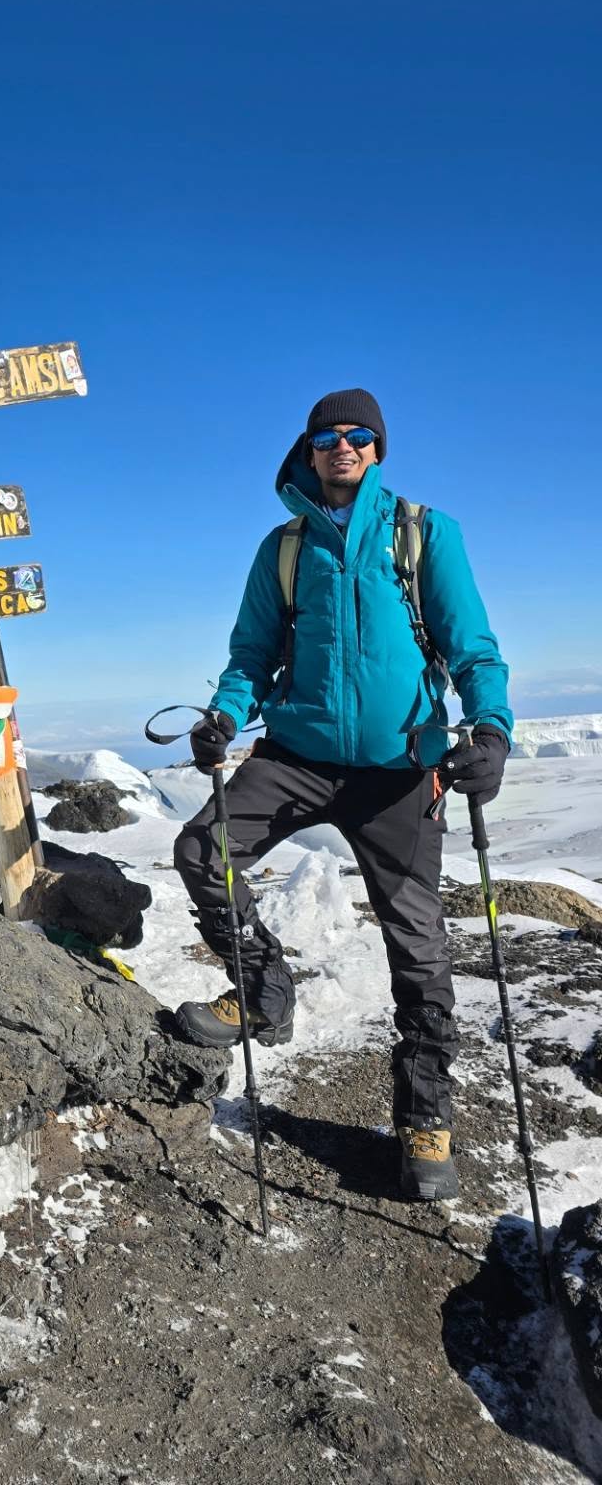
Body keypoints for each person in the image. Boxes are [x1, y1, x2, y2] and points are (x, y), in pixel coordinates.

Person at [172, 389, 512, 1201]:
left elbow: (472, 649)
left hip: (400, 769)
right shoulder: (285, 547)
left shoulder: (423, 533)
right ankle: (264, 990)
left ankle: (426, 1117)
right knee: (203, 851)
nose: (343, 447)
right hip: (298, 755)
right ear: (310, 451)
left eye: (358, 435)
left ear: (378, 448)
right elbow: (251, 655)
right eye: (327, 438)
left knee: (419, 946)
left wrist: (491, 730)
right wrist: (225, 714)